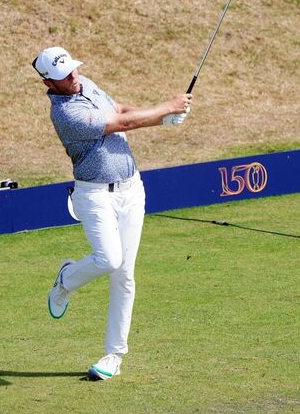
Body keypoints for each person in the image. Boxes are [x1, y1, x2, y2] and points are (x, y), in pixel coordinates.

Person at [32, 46, 193, 380]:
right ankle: (66, 279)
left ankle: (114, 355)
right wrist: (167, 107)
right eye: (64, 76)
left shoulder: (86, 84)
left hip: (131, 190)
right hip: (94, 195)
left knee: (125, 275)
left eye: (73, 69)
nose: (73, 77)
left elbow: (119, 109)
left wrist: (163, 118)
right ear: (49, 82)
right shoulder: (66, 114)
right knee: (109, 259)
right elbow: (121, 123)